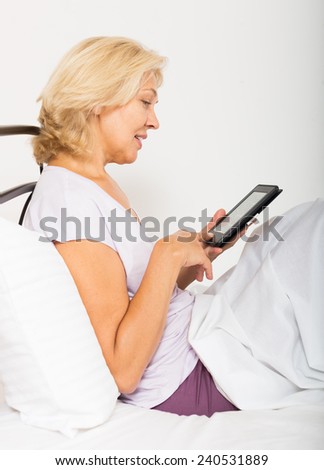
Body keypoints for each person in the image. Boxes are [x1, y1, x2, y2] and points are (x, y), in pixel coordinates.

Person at [24, 36, 324, 416]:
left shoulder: (93, 183)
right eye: (145, 102)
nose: (154, 120)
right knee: (311, 236)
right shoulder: (71, 203)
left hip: (198, 334)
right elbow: (122, 370)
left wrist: (192, 257)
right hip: (190, 375)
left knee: (298, 230)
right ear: (97, 100)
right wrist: (166, 254)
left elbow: (139, 299)